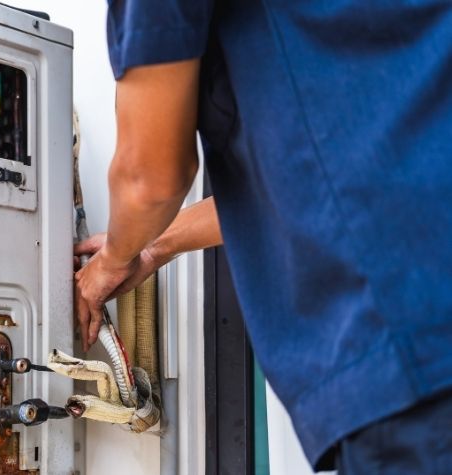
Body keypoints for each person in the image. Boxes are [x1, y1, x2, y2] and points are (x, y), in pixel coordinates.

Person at [73, 1, 452, 473]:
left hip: (410, 342)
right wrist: (152, 247)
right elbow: (322, 169)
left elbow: (149, 178)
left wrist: (111, 261)